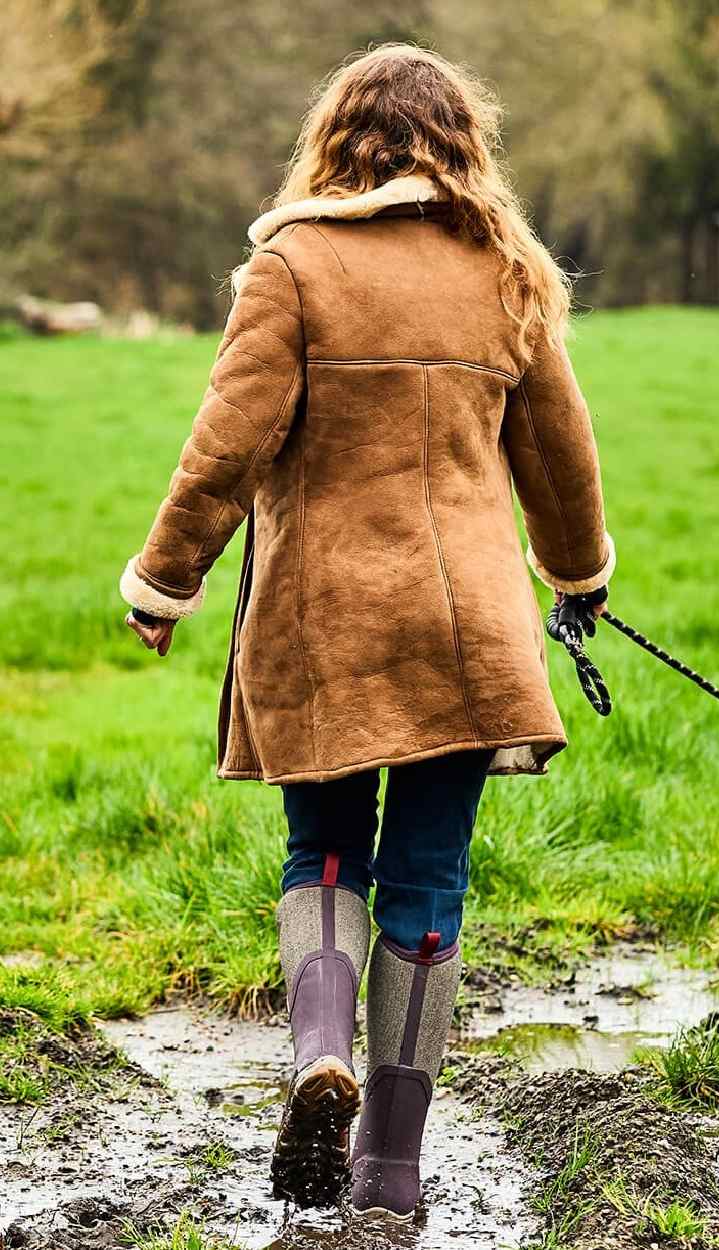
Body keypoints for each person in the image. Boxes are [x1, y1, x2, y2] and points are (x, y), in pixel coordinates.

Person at [120, 43, 614, 1222]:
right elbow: (558, 456)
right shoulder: (507, 271)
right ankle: (390, 1169)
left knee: (327, 851)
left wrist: (164, 580)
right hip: (469, 633)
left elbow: (227, 445)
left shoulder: (292, 265)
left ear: (335, 142)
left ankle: (319, 1051)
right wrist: (576, 574)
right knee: (432, 870)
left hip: (322, 620)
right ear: (462, 145)